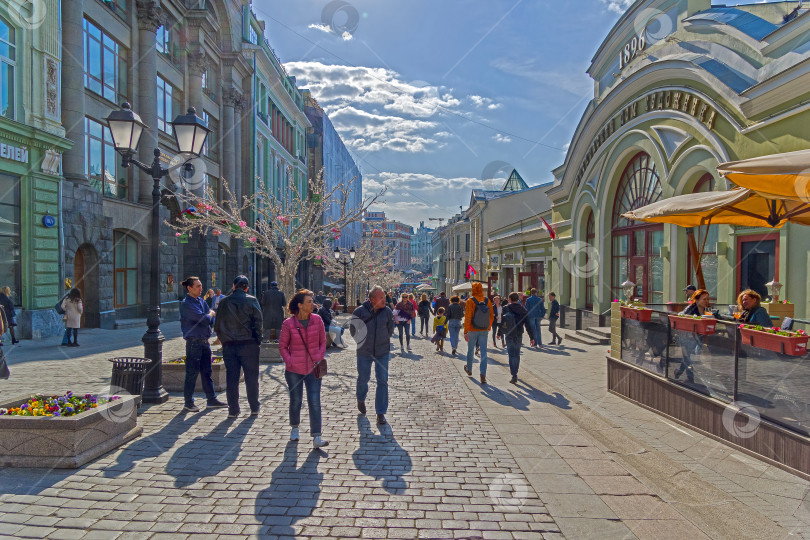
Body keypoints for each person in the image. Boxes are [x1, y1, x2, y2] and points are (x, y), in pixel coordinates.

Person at [279, 289, 329, 449]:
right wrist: (290, 361)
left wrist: (319, 356)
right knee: (296, 400)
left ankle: (317, 436)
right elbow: (282, 346)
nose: (312, 304)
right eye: (309, 302)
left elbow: (323, 341)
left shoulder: (317, 320)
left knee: (314, 401)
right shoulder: (288, 323)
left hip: (313, 368)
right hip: (294, 370)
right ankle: (294, 428)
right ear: (300, 305)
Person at [214, 275, 263, 418]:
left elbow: (217, 326)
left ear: (234, 286)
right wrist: (257, 340)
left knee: (232, 378)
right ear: (246, 288)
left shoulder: (223, 302)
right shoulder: (252, 300)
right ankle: (254, 407)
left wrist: (224, 340)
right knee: (251, 377)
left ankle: (233, 410)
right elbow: (258, 323)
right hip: (249, 345)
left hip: (230, 345)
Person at [179, 276, 226, 412]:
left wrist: (209, 316)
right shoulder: (187, 304)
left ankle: (211, 399)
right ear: (189, 288)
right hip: (194, 342)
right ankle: (188, 402)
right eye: (198, 286)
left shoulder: (201, 301)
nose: (201, 289)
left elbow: (209, 320)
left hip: (205, 342)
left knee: (207, 372)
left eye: (201, 286)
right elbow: (203, 319)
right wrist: (210, 314)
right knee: (192, 373)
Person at [351, 286, 395, 425]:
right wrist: (363, 341)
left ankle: (380, 412)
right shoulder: (359, 311)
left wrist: (383, 340)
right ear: (372, 299)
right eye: (381, 297)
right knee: (363, 378)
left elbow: (390, 328)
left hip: (382, 352)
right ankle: (361, 398)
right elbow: (353, 330)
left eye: (384, 297)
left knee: (382, 381)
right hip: (364, 351)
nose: (384, 300)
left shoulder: (387, 311)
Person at [674, 289, 711, 382]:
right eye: (704, 299)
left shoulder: (708, 310)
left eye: (707, 299)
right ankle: (691, 379)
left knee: (687, 357)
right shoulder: (690, 309)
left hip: (698, 336)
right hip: (686, 336)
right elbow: (681, 317)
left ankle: (678, 372)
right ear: (697, 300)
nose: (707, 301)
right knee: (687, 357)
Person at [498, 292, 533, 384]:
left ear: (509, 299)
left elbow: (502, 322)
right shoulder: (523, 309)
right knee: (517, 354)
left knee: (511, 354)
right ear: (518, 299)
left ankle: (514, 375)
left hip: (509, 334)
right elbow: (528, 325)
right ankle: (515, 373)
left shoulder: (506, 308)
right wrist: (532, 338)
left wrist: (499, 333)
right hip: (519, 334)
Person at [464, 282, 494, 384]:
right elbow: (491, 315)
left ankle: (469, 368)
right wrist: (488, 327)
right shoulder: (487, 300)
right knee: (484, 351)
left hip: (472, 329)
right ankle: (483, 374)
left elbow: (468, 317)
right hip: (484, 330)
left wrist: (465, 331)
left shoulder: (470, 301)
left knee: (470, 350)